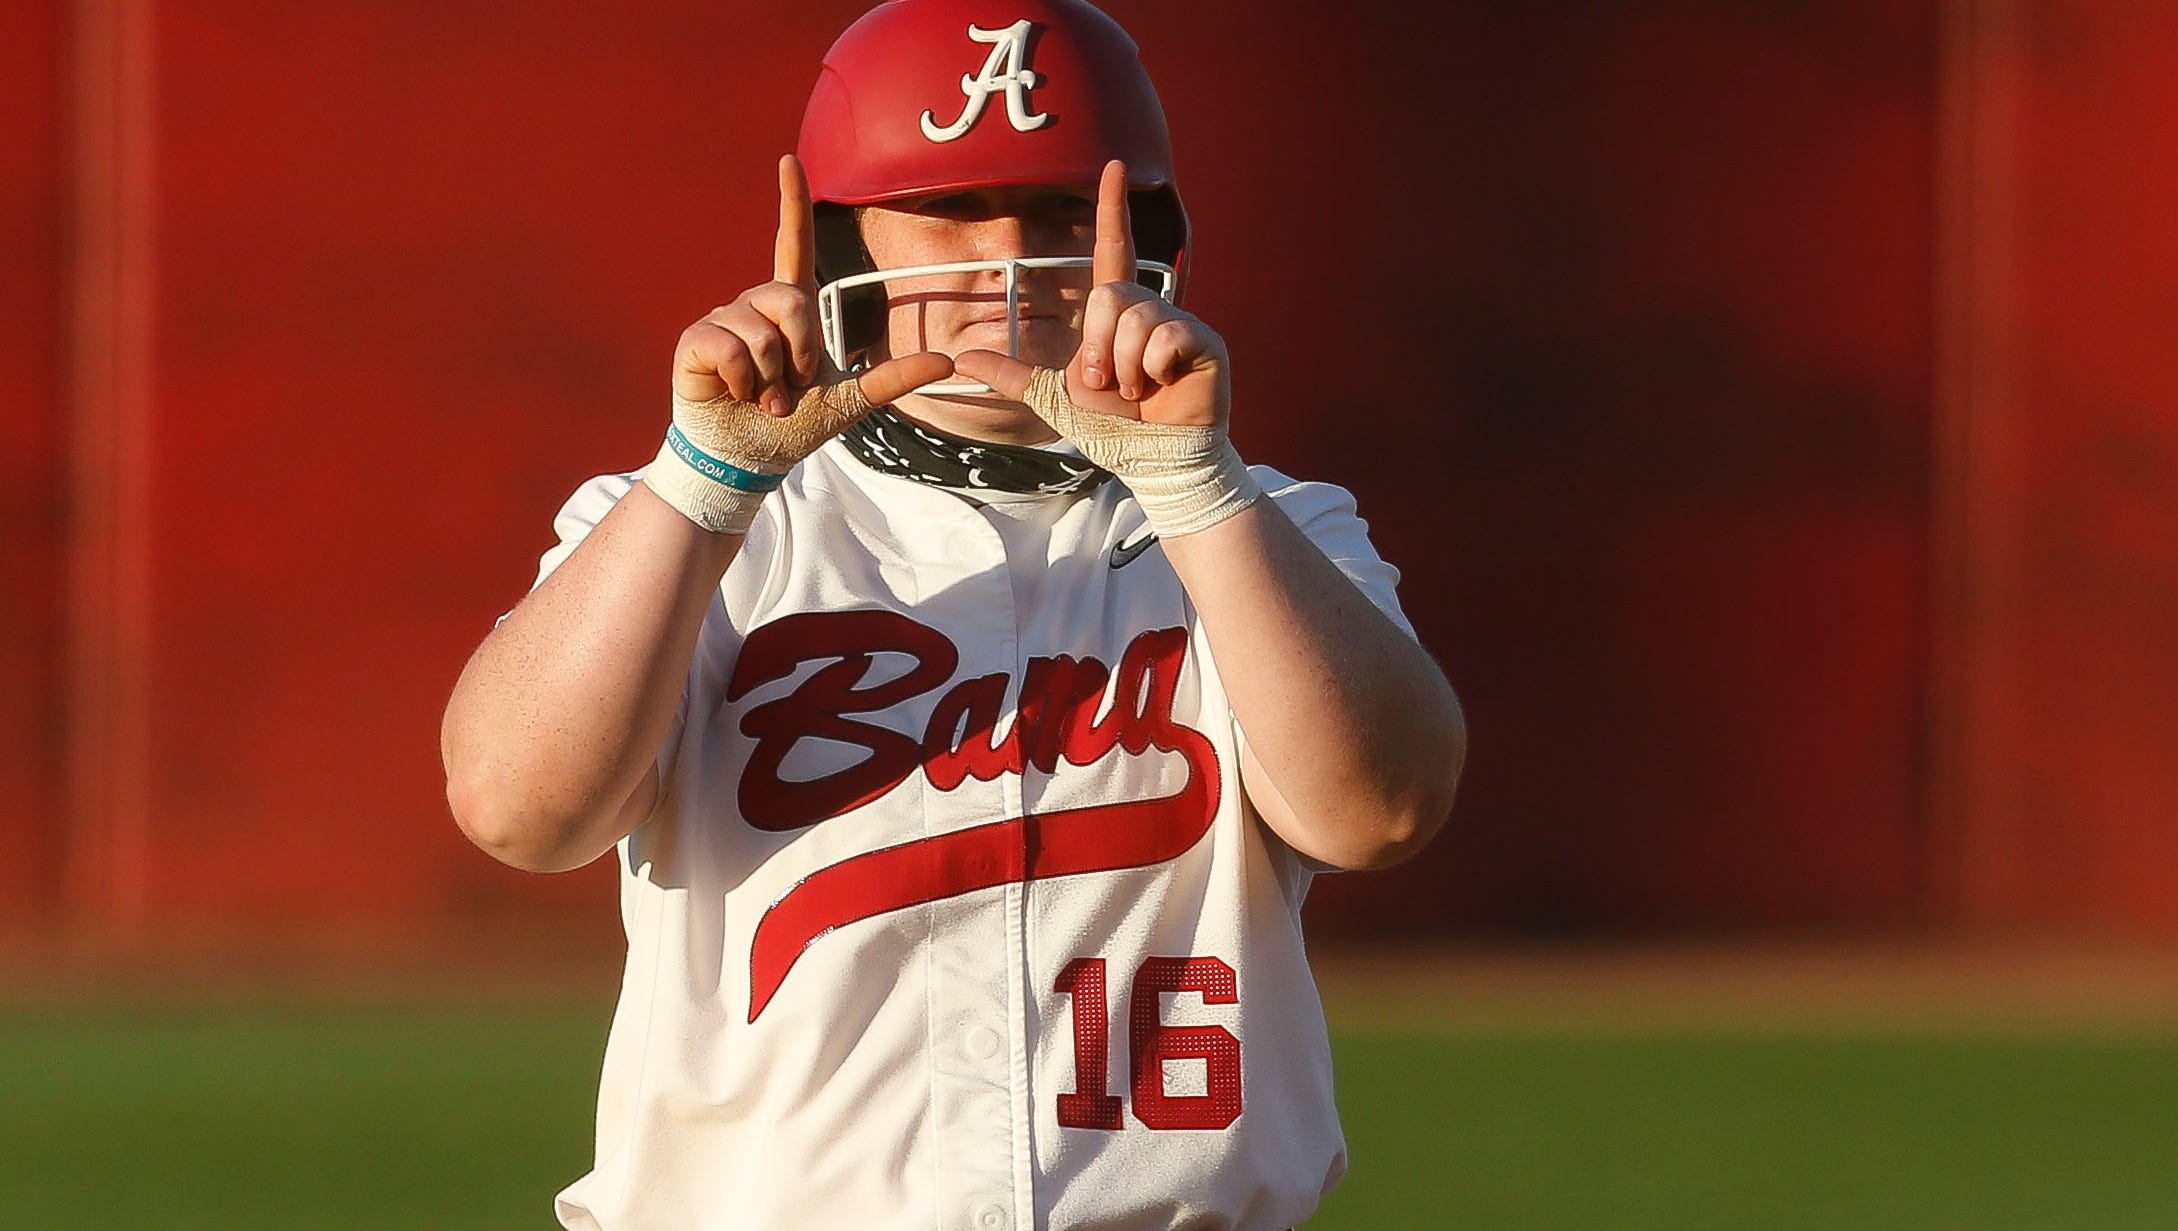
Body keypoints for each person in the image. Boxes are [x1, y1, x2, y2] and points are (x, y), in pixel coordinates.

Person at [439, 1, 1466, 1227]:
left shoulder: (1272, 526)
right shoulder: (690, 527)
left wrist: (1195, 487)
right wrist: (702, 484)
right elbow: (516, 807)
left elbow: (1382, 809)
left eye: (1049, 209)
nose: (1001, 258)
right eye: (948, 206)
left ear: (1142, 232)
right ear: (839, 245)